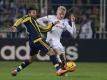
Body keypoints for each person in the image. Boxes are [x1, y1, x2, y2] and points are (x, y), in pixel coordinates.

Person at [11, 7, 67, 76]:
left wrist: (53, 23)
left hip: (32, 42)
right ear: (29, 13)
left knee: (31, 59)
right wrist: (15, 26)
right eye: (33, 12)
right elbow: (20, 19)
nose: (35, 14)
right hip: (37, 40)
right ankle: (59, 70)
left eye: (35, 12)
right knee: (51, 52)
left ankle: (16, 70)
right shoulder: (28, 17)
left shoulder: (35, 23)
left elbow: (45, 29)